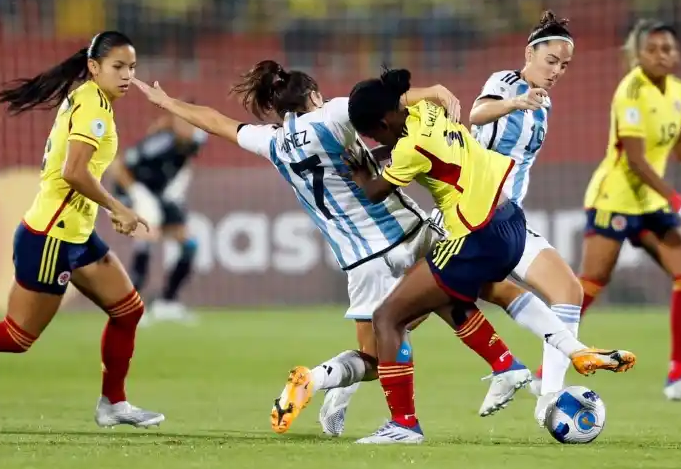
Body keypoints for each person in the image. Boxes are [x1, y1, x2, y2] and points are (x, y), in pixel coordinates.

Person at [130, 61, 535, 438]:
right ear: (313, 97)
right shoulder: (335, 113)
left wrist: (167, 103)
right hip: (407, 230)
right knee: (446, 301)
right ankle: (513, 364)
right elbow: (388, 101)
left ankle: (334, 386)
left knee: (382, 347)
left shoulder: (271, 142)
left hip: (359, 259)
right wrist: (434, 92)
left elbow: (217, 123)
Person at [345, 68, 636, 445]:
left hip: (474, 234)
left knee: (388, 317)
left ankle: (403, 426)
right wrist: (384, 146)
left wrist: (357, 169)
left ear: (384, 122)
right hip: (510, 220)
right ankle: (570, 349)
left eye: (374, 133)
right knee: (470, 294)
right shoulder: (426, 112)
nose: (375, 140)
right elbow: (414, 135)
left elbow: (374, 191)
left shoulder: (410, 148)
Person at [0, 31, 164, 428]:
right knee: (16, 337)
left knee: (128, 311)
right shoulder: (92, 107)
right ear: (94, 67)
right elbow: (72, 172)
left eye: (132, 68)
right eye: (119, 67)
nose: (128, 75)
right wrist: (117, 207)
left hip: (74, 234)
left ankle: (113, 403)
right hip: (50, 238)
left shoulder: (92, 100)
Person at [579, 19, 681, 401]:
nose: (662, 55)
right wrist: (677, 198)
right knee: (591, 283)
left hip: (650, 202)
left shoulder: (679, 90)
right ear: (638, 54)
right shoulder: (630, 90)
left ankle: (679, 376)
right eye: (653, 49)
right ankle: (548, 365)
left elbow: (679, 140)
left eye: (668, 49)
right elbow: (634, 159)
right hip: (614, 199)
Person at [467, 10, 587, 424]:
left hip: (507, 222)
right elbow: (476, 114)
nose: (557, 72)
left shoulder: (545, 103)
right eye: (551, 61)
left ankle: (549, 399)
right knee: (403, 314)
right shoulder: (508, 83)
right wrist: (516, 101)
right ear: (530, 53)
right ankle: (345, 386)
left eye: (564, 66)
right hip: (467, 217)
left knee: (569, 293)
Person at [108, 110, 207, 323]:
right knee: (148, 234)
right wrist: (137, 194)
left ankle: (167, 302)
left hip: (160, 194)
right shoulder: (160, 142)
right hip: (132, 190)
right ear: (175, 122)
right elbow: (119, 167)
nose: (190, 127)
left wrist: (177, 187)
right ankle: (130, 306)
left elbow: (186, 163)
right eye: (185, 122)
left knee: (189, 243)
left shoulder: (195, 141)